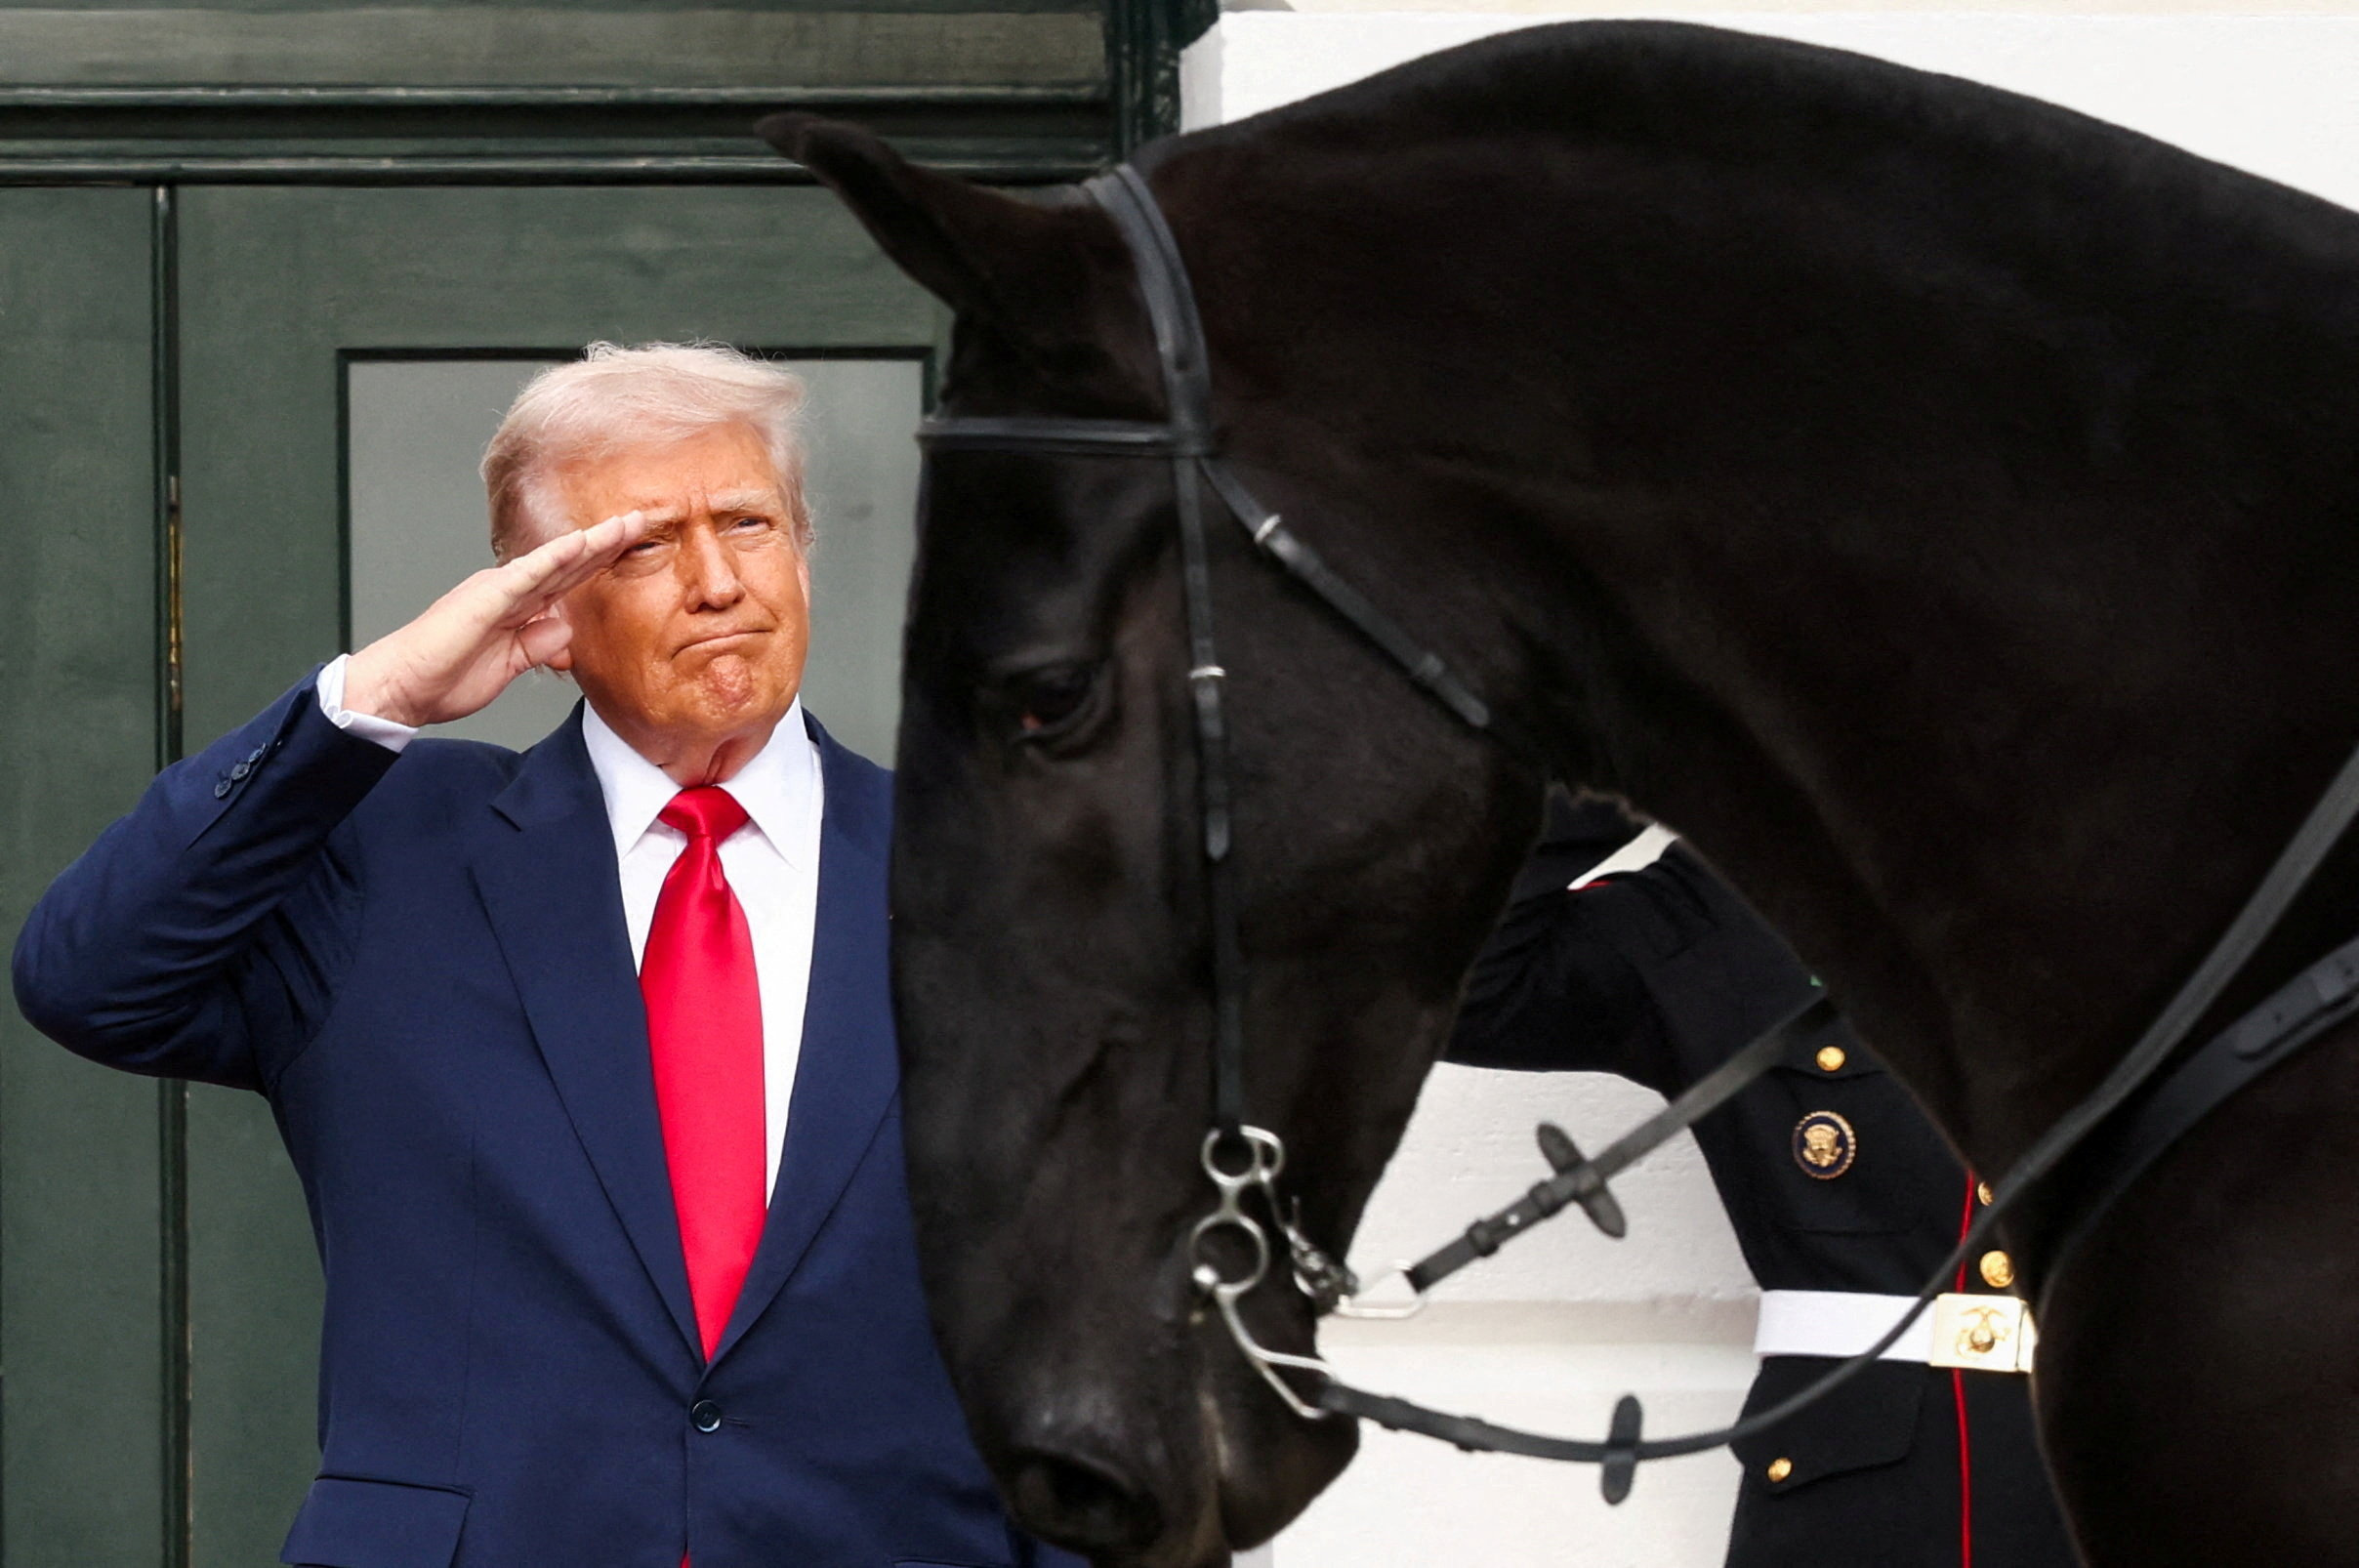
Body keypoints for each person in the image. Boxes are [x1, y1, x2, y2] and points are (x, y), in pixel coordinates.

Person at [14, 344, 1079, 1567]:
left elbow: (1085, 1323)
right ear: (546, 610)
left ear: (801, 552)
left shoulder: (998, 874)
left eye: (748, 523)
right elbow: (88, 975)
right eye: (645, 545)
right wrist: (376, 700)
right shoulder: (389, 848)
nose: (717, 581)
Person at [1449, 796, 2081, 1568]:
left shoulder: (2180, 884)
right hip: (1857, 1515)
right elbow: (1456, 976)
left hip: (2148, 1476)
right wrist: (1625, 767)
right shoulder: (1751, 901)